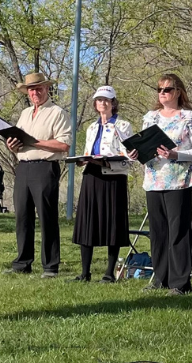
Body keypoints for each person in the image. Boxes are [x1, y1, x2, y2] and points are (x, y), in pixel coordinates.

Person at [133, 74, 192, 295]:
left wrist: (176, 154)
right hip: (154, 180)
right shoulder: (151, 117)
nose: (162, 93)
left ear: (178, 92)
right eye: (159, 89)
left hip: (178, 181)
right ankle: (160, 277)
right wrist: (136, 153)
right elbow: (143, 144)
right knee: (158, 232)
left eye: (167, 89)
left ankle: (180, 282)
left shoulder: (188, 117)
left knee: (178, 232)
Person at [4, 72, 71, 278]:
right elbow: (21, 143)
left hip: (45, 167)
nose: (35, 92)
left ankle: (50, 265)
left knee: (47, 217)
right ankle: (22, 263)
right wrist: (12, 145)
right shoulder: (25, 114)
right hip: (23, 167)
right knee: (22, 217)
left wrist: (34, 142)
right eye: (31, 89)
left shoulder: (57, 112)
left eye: (39, 88)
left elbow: (64, 144)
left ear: (47, 89)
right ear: (27, 92)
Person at [70, 85, 133, 283]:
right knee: (87, 221)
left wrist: (106, 161)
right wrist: (84, 160)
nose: (103, 103)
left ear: (113, 103)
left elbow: (128, 156)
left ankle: (109, 272)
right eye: (99, 100)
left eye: (106, 100)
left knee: (113, 223)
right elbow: (89, 150)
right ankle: (85, 272)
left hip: (113, 177)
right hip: (92, 175)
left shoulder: (123, 126)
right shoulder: (91, 127)